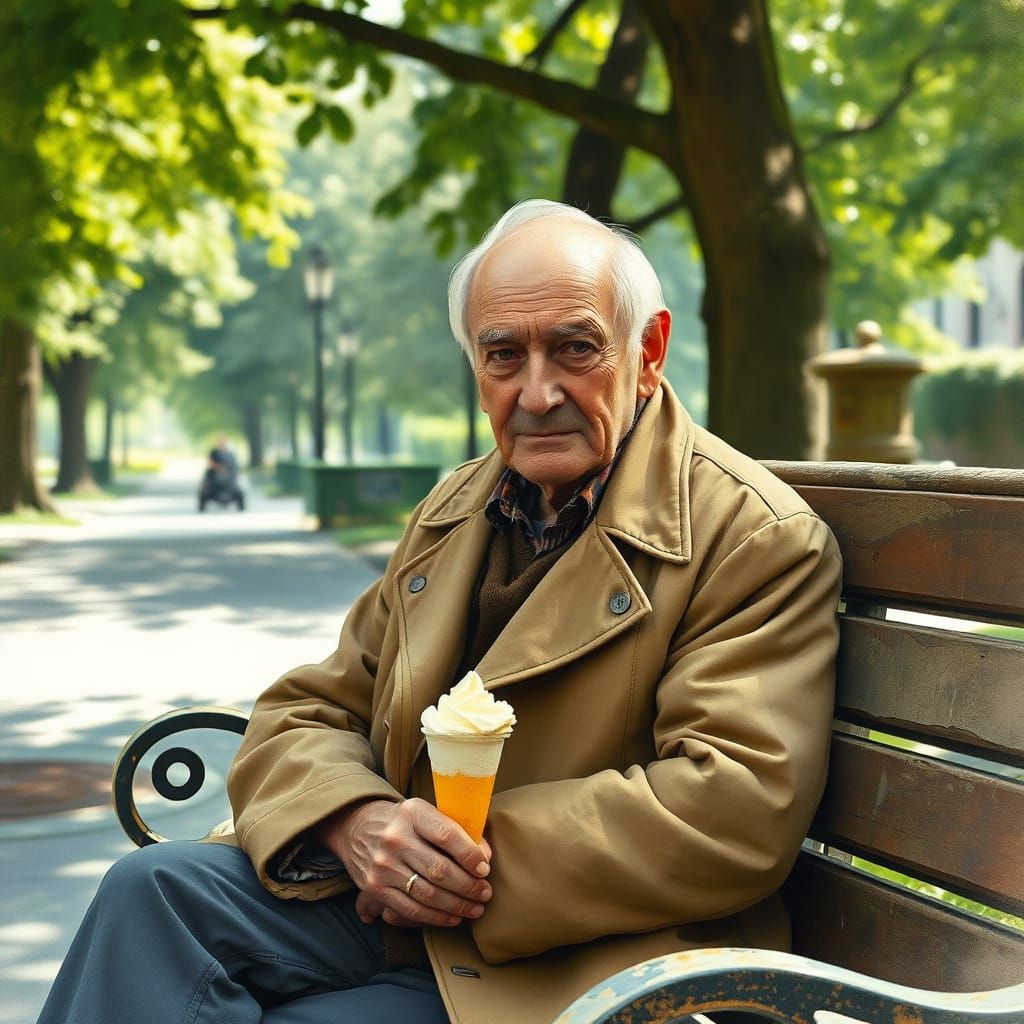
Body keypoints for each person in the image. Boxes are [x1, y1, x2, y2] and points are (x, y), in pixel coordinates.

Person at [39, 200, 841, 1024]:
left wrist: (449, 864)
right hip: (396, 915)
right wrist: (356, 819)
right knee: (147, 893)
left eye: (574, 348)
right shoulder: (456, 506)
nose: (536, 393)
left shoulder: (753, 536)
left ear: (648, 351)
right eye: (503, 355)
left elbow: (734, 809)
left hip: (601, 959)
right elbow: (313, 707)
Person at [199, 434, 245, 511]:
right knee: (207, 482)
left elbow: (234, 465)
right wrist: (218, 467)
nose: (221, 443)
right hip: (215, 476)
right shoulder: (214, 452)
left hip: (228, 477)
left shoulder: (230, 454)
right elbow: (210, 462)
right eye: (220, 442)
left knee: (237, 488)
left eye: (223, 442)